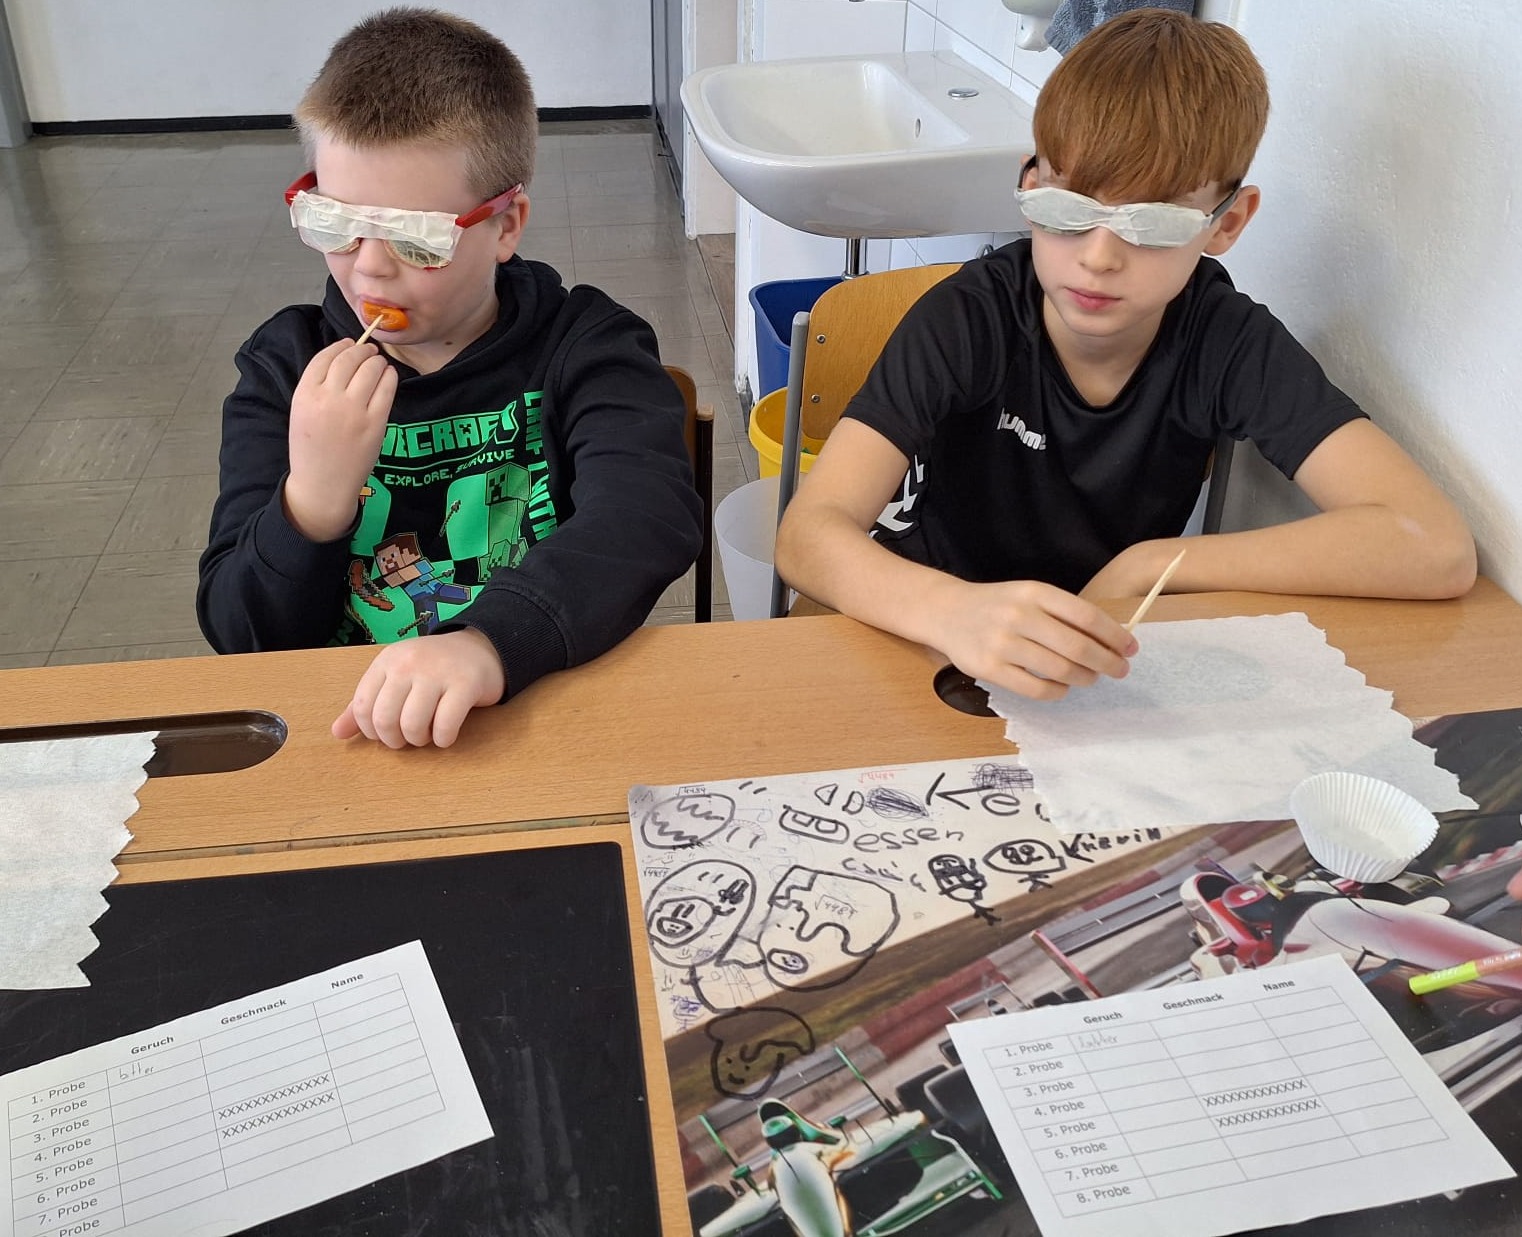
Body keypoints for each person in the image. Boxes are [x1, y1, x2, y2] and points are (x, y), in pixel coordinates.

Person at [774, 10, 1475, 703]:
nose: (1100, 258)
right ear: (1030, 189)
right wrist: (952, 610)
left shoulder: (1225, 341)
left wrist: (1153, 563)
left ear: (1226, 223)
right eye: (1069, 211)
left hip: (1091, 653)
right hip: (919, 626)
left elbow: (1434, 546)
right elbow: (808, 536)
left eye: (1152, 223)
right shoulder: (968, 318)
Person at [198, 8, 702, 748]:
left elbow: (645, 518)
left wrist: (487, 642)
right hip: (349, 733)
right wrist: (312, 502)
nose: (369, 267)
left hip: (541, 712)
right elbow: (242, 635)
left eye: (415, 237)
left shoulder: (587, 347)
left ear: (505, 225)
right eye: (336, 223)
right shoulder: (283, 368)